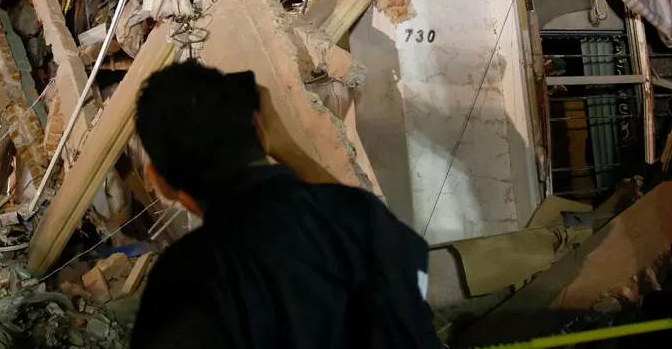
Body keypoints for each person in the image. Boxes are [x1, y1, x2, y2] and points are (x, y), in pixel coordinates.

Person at [130, 60, 443, 349]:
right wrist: (282, 144)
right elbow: (335, 210)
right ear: (258, 129)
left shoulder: (187, 278)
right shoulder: (361, 216)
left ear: (160, 184)